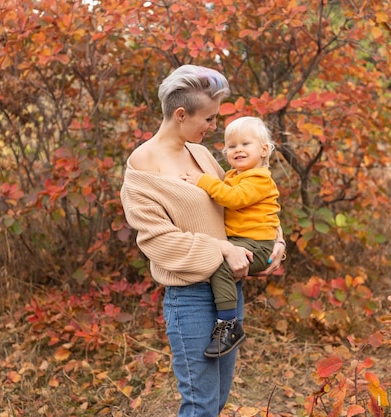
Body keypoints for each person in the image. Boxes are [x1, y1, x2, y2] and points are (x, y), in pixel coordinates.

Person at [120, 65, 285, 417]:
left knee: (218, 398)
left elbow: (249, 199)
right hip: (190, 298)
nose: (212, 128)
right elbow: (158, 242)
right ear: (181, 114)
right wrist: (223, 248)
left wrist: (278, 243)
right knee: (200, 405)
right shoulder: (141, 170)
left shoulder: (201, 155)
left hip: (228, 291)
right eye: (208, 118)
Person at [181, 116, 282, 358]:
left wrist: (203, 181)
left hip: (257, 244)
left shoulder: (259, 178)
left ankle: (229, 324)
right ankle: (227, 321)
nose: (237, 150)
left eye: (245, 144)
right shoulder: (234, 175)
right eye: (231, 146)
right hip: (244, 240)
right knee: (222, 261)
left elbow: (233, 198)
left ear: (264, 150)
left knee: (222, 266)